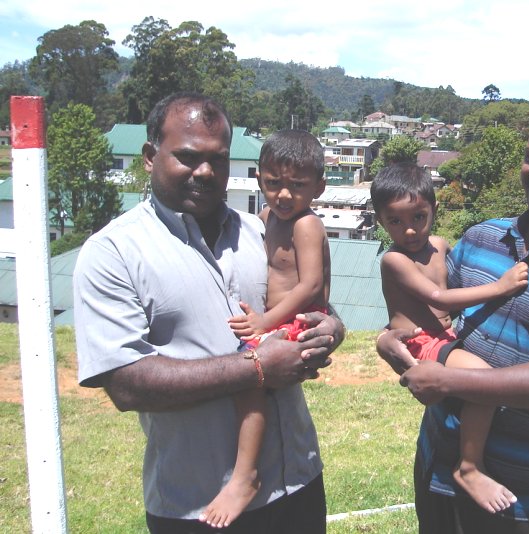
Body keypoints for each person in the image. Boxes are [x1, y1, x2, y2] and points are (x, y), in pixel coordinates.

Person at [73, 92, 344, 534]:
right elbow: (125, 384)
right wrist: (255, 367)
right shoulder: (114, 253)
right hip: (197, 503)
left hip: (297, 478)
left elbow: (311, 300)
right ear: (148, 157)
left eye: (217, 160)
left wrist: (331, 327)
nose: (204, 171)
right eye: (187, 156)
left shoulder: (261, 229)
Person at [377, 110, 529, 533]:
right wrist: (386, 340)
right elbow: (432, 313)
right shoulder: (480, 238)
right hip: (438, 455)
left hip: (512, 484)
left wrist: (449, 382)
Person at [371, 162, 528, 514]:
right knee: (485, 380)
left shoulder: (442, 246)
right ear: (381, 221)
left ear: (434, 208)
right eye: (395, 221)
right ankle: (468, 467)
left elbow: (454, 289)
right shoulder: (393, 260)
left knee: (476, 385)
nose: (409, 229)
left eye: (418, 217)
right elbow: (439, 299)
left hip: (445, 337)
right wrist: (501, 287)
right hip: (420, 341)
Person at [200, 129, 330, 528]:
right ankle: (248, 471)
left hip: (297, 320)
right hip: (279, 320)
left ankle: (245, 476)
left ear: (319, 187)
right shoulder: (264, 219)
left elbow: (309, 285)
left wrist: (265, 322)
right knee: (247, 377)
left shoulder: (306, 224)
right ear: (260, 179)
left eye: (297, 185)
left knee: (248, 376)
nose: (284, 195)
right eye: (274, 184)